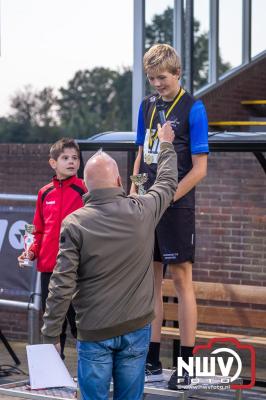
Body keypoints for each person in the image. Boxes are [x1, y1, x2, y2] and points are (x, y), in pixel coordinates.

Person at [41, 123, 177, 400]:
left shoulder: (74, 224)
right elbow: (167, 182)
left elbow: (60, 284)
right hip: (136, 327)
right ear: (118, 182)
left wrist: (51, 334)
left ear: (86, 185)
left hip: (94, 332)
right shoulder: (143, 210)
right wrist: (165, 144)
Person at [130, 43, 209, 389]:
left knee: (181, 281)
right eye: (151, 78)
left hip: (176, 207)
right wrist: (134, 191)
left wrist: (167, 197)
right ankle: (151, 360)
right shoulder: (146, 106)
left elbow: (200, 169)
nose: (157, 84)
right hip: (148, 205)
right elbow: (139, 152)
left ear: (177, 73)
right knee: (151, 282)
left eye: (162, 77)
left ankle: (186, 363)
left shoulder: (194, 109)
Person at [18, 138, 87, 359]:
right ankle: (53, 377)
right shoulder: (44, 193)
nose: (71, 162)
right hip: (48, 269)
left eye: (75, 158)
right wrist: (30, 251)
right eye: (65, 158)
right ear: (53, 163)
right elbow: (36, 231)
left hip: (77, 269)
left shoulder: (84, 189)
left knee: (80, 323)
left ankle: (90, 374)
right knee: (53, 326)